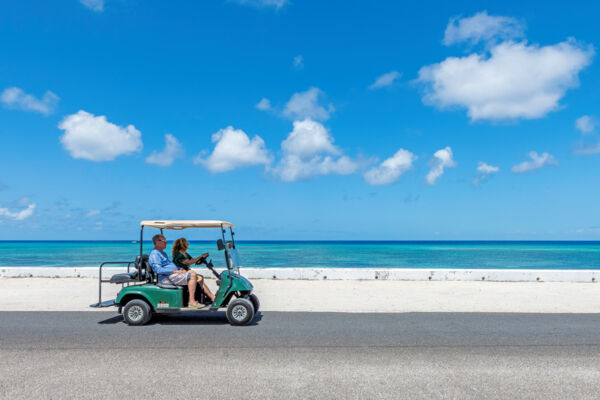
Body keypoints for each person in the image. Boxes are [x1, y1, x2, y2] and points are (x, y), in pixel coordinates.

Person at [148, 234, 204, 308]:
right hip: (164, 278)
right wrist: (175, 271)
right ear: (157, 242)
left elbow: (169, 265)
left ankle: (206, 298)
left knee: (198, 276)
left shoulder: (162, 253)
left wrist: (179, 269)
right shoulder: (155, 254)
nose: (166, 242)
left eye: (166, 241)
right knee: (192, 276)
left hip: (169, 276)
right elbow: (158, 270)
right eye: (164, 241)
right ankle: (192, 302)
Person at [172, 237, 216, 302]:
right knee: (199, 278)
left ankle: (206, 296)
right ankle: (212, 297)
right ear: (183, 245)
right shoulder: (178, 255)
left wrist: (201, 259)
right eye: (186, 243)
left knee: (200, 278)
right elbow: (188, 262)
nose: (188, 245)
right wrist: (201, 256)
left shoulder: (185, 253)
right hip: (182, 272)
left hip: (187, 272)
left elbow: (192, 260)